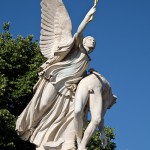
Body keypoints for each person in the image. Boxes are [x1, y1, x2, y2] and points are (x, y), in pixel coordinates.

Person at [16, 2, 97, 150]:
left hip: (67, 89)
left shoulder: (87, 61)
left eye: (94, 42)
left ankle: (59, 140)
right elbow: (79, 31)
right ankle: (27, 125)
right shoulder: (77, 47)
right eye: (91, 39)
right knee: (43, 105)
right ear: (84, 41)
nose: (93, 42)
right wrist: (88, 16)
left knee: (68, 116)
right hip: (56, 79)